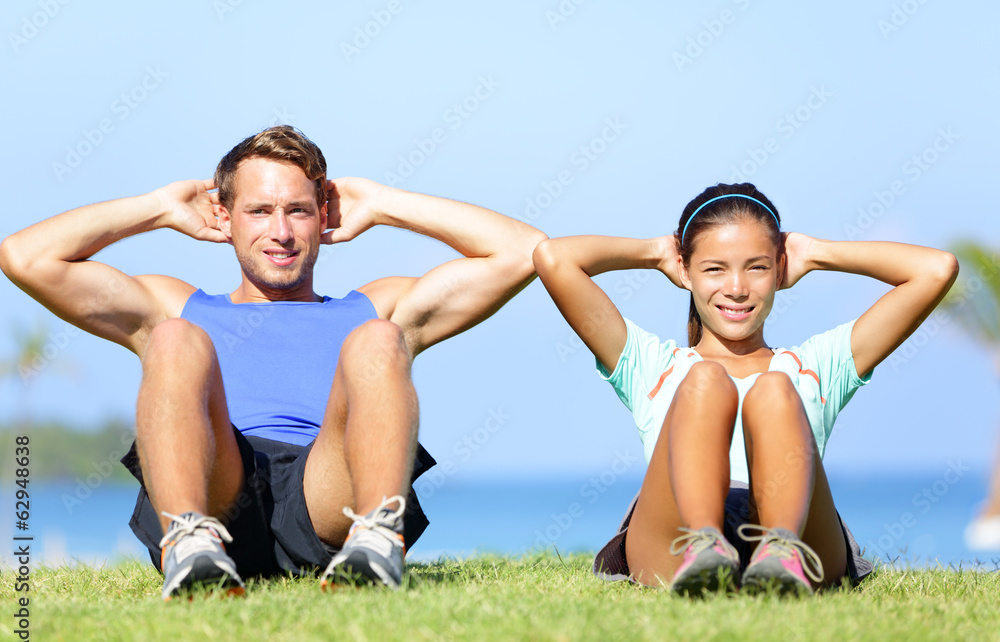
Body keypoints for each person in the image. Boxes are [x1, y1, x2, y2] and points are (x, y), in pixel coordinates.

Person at [0, 126, 546, 599]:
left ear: (324, 213)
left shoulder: (372, 305)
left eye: (298, 211)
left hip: (328, 494)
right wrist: (161, 208)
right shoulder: (178, 305)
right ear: (224, 216)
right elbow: (25, 257)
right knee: (172, 340)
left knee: (378, 338)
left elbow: (526, 252)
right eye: (259, 211)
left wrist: (382, 203)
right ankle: (190, 547)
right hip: (218, 490)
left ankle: (378, 544)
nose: (280, 233)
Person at [532, 183, 958, 595]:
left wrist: (813, 253)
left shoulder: (816, 365)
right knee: (705, 380)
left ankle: (780, 554)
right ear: (686, 270)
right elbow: (553, 258)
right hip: (675, 535)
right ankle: (705, 547)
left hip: (797, 529)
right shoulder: (653, 365)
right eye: (714, 268)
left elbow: (936, 269)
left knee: (774, 388)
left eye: (757, 267)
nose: (736, 288)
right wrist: (658, 252)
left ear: (780, 269)